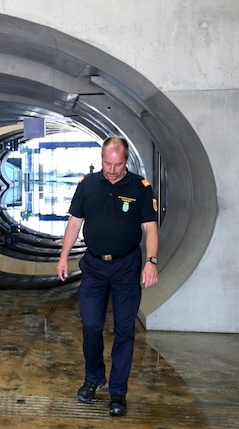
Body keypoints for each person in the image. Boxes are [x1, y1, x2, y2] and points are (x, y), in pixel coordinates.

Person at [56, 137, 159, 417]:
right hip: (94, 267)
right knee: (91, 325)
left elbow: (150, 228)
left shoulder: (139, 188)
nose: (112, 170)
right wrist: (64, 256)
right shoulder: (87, 185)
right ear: (101, 159)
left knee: (125, 330)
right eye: (107, 163)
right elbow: (74, 222)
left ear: (127, 161)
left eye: (118, 164)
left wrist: (150, 262)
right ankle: (94, 377)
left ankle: (118, 392)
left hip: (126, 267)